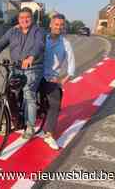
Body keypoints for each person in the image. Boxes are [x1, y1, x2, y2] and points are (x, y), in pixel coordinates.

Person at [0, 7, 46, 139]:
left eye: (27, 17)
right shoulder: (13, 31)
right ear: (18, 19)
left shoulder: (38, 31)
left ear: (32, 18)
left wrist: (31, 57)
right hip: (16, 67)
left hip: (33, 67)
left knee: (29, 94)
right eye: (22, 18)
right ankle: (11, 119)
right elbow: (1, 44)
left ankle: (30, 127)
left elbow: (39, 45)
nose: (25, 20)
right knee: (9, 92)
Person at [41, 13, 75, 150]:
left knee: (55, 103)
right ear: (50, 25)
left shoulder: (66, 44)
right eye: (56, 24)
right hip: (36, 74)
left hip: (50, 78)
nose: (59, 27)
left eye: (61, 25)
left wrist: (62, 80)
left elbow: (72, 66)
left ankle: (48, 135)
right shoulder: (42, 38)